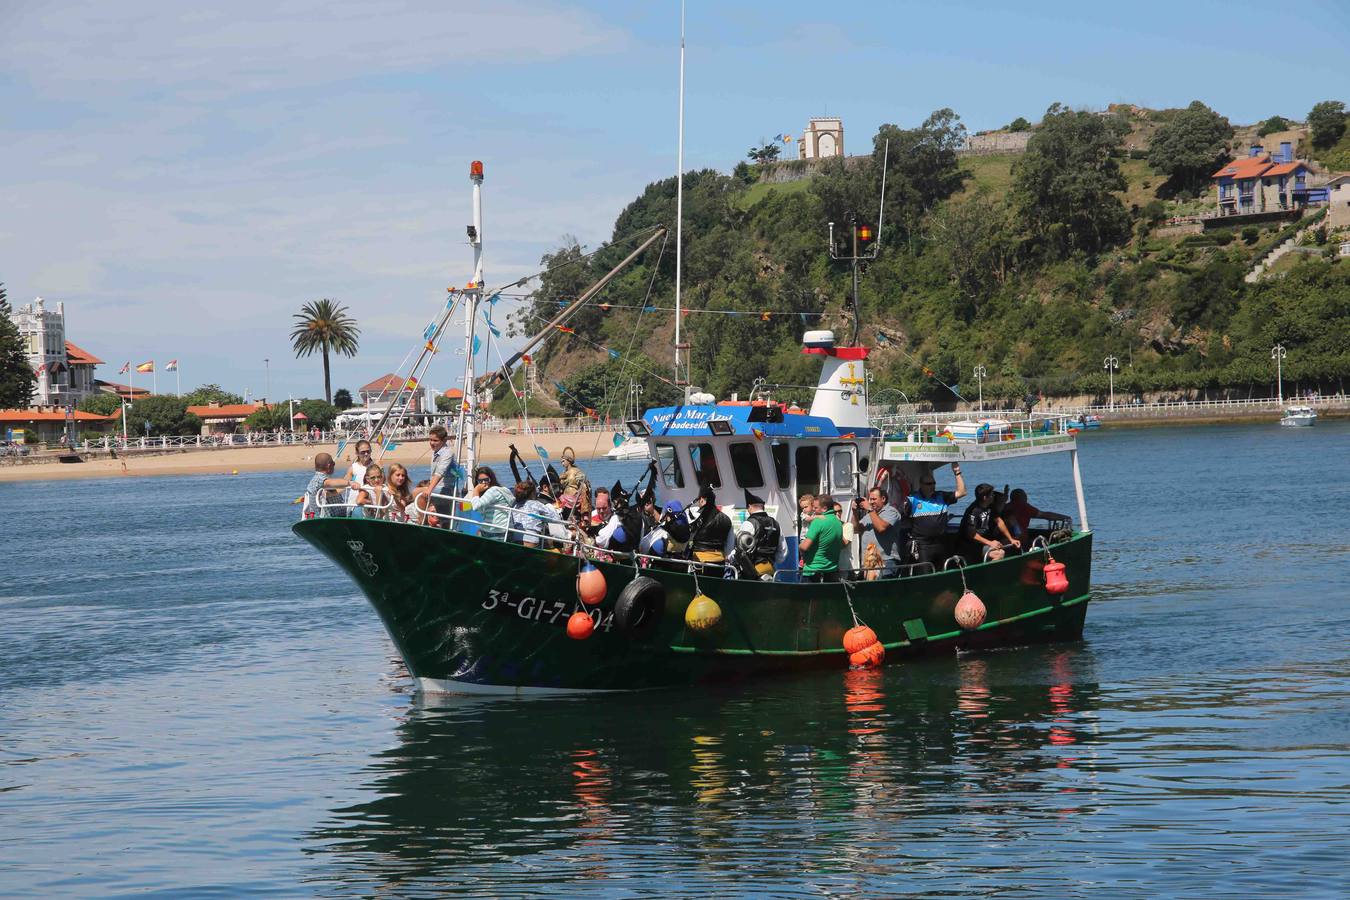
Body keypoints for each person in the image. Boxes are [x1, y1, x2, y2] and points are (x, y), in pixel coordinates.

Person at [904, 463, 967, 566]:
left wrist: (957, 472)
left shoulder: (941, 496)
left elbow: (962, 492)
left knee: (945, 571)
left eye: (934, 483)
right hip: (923, 545)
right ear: (921, 485)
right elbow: (902, 516)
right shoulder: (912, 499)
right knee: (926, 573)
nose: (932, 486)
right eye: (929, 484)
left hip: (941, 543)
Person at [958, 483, 1020, 564]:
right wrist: (990, 543)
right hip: (970, 544)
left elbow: (999, 522)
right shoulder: (973, 511)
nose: (993, 496)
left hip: (983, 542)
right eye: (991, 494)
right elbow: (971, 534)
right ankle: (986, 573)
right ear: (985, 498)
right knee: (999, 554)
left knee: (1007, 545)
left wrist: (1011, 539)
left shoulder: (990, 506)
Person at [855, 486, 903, 578]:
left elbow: (881, 528)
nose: (871, 502)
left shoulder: (892, 512)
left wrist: (869, 509)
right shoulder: (870, 514)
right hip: (869, 563)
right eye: (870, 499)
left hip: (886, 561)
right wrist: (854, 512)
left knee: (884, 590)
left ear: (883, 499)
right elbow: (856, 529)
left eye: (874, 499)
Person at [734, 489, 782, 580]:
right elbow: (783, 551)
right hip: (770, 569)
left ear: (749, 507)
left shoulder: (749, 523)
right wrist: (771, 561)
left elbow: (740, 549)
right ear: (762, 507)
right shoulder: (776, 523)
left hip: (751, 571)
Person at [686, 485, 734, 572]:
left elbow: (688, 537)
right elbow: (730, 548)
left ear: (701, 499)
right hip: (719, 563)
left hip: (699, 561)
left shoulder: (697, 516)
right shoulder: (727, 519)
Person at [798, 496, 843, 582]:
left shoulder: (818, 522)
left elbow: (804, 547)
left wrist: (800, 546)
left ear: (824, 508)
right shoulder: (838, 522)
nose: (813, 509)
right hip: (832, 570)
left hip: (813, 571)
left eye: (815, 507)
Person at [419, 425, 456, 528]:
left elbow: (440, 472)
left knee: (418, 494)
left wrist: (429, 489)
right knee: (417, 494)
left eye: (435, 440)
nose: (432, 443)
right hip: (437, 487)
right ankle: (424, 521)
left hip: (445, 488)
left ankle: (422, 523)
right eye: (430, 440)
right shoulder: (436, 452)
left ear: (444, 440)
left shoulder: (447, 453)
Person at [304, 452, 358, 518]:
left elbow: (334, 491)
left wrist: (347, 485)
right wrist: (349, 483)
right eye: (333, 463)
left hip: (335, 518)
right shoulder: (319, 479)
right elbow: (328, 483)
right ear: (328, 466)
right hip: (326, 520)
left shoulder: (316, 479)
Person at [508, 480, 560, 548]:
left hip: (514, 537)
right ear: (533, 493)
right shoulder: (537, 504)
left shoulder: (514, 505)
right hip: (530, 539)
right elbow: (556, 519)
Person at [466, 465, 513, 539]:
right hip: (497, 530)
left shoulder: (493, 491)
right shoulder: (498, 490)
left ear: (491, 479)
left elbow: (476, 506)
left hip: (496, 532)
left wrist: (476, 490)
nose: (484, 483)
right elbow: (480, 509)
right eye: (480, 481)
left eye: (486, 480)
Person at [1004, 488, 1069, 539]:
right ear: (1022, 497)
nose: (1027, 498)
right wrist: (1064, 517)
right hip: (1020, 538)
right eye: (1025, 496)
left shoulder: (1006, 506)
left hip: (1008, 536)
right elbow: (1045, 515)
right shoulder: (1023, 506)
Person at [557, 447, 591, 518]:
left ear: (568, 461)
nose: (562, 464)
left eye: (563, 461)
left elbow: (583, 481)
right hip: (565, 496)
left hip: (574, 496)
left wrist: (583, 480)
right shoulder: (563, 473)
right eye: (561, 462)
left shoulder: (576, 470)